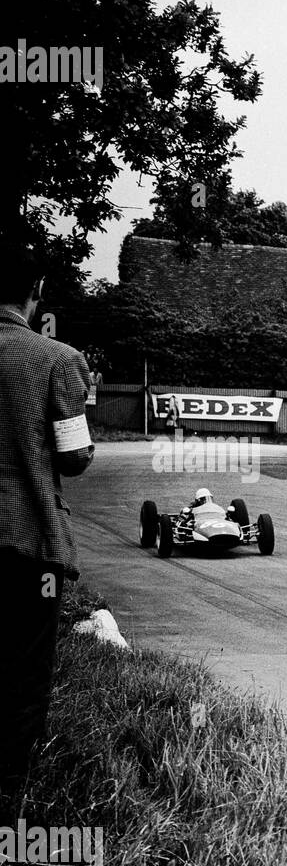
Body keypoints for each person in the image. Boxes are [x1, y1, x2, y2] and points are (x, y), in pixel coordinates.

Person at [0, 243, 95, 803]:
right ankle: (10, 798)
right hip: (27, 545)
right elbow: (75, 458)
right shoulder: (58, 359)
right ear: (35, 290)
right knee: (23, 672)